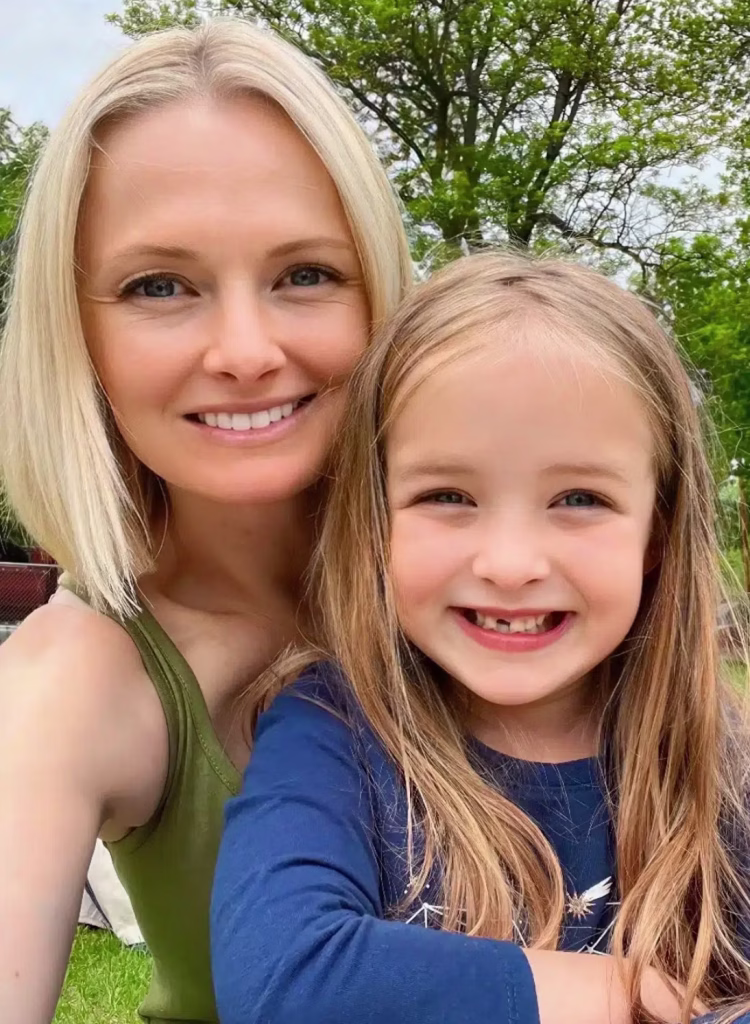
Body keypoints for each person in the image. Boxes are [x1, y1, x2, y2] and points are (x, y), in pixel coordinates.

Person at [211, 254, 750, 1024]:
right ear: (377, 521)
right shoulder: (334, 732)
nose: (509, 564)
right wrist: (629, 996)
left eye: (579, 498)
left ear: (656, 533)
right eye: (448, 495)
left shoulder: (717, 760)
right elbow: (281, 983)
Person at [0, 18, 412, 1024]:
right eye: (160, 286)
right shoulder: (71, 684)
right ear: (77, 333)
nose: (244, 350)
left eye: (305, 273)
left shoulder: (512, 579)